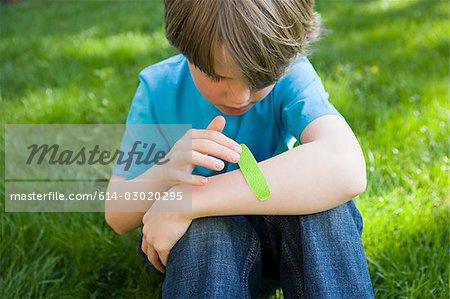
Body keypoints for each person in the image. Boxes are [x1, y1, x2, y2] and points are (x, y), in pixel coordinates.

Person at [105, 0, 374, 297]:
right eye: (217, 76)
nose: (240, 96)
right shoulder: (159, 88)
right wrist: (165, 172)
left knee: (325, 208)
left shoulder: (291, 74)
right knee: (207, 231)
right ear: (185, 48)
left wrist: (190, 199)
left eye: (261, 78)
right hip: (198, 254)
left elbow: (344, 164)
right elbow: (117, 215)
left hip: (275, 241)